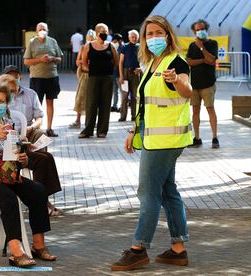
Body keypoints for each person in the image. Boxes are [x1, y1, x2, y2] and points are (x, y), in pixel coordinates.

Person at [111, 15, 192, 271]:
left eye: (159, 32)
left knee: (147, 192)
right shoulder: (153, 63)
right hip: (154, 138)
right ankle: (178, 249)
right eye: (150, 33)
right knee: (168, 192)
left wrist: (177, 80)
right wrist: (133, 131)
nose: (154, 37)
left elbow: (187, 90)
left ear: (168, 35)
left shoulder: (176, 62)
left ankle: (139, 248)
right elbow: (146, 105)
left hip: (166, 141)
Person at [0, 80, 57, 267]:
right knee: (7, 197)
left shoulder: (7, 123)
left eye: (2, 101)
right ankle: (16, 252)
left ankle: (39, 245)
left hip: (4, 176)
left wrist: (22, 159)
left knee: (38, 190)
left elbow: (10, 153)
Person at [0, 70, 63, 217]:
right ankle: (42, 203)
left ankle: (42, 200)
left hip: (20, 142)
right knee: (42, 159)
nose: (13, 95)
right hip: (4, 151)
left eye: (14, 92)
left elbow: (39, 117)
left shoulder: (28, 94)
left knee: (46, 157)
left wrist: (26, 135)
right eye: (10, 92)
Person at [78, 23, 119, 139]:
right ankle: (88, 130)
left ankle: (102, 131)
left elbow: (116, 61)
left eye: (106, 31)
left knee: (105, 104)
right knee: (91, 104)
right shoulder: (89, 45)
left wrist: (109, 69)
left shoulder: (111, 46)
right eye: (102, 31)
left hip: (107, 78)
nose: (104, 33)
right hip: (93, 78)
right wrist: (89, 69)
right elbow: (84, 61)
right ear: (96, 33)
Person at [24, 22, 63, 138]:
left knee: (50, 102)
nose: (42, 31)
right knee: (37, 104)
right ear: (36, 31)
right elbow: (26, 61)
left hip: (51, 76)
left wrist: (52, 58)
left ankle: (49, 128)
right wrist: (40, 59)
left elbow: (59, 58)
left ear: (48, 30)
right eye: (40, 29)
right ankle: (38, 130)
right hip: (36, 78)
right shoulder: (32, 42)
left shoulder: (53, 41)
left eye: (44, 29)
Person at [186, 19, 219, 148]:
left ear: (206, 29)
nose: (200, 31)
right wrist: (202, 60)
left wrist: (201, 47)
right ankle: (197, 137)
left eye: (202, 29)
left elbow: (211, 60)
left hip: (208, 83)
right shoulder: (191, 46)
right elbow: (189, 62)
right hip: (194, 84)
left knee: (210, 109)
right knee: (195, 110)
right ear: (194, 31)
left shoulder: (212, 43)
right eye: (197, 29)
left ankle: (214, 137)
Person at [69, 29, 96, 129]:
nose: (90, 38)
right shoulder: (83, 47)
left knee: (93, 98)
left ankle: (92, 121)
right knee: (80, 97)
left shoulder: (97, 47)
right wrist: (84, 61)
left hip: (94, 76)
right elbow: (77, 61)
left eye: (92, 36)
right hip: (85, 75)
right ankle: (78, 120)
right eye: (89, 36)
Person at [118, 29, 141, 121]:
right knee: (124, 96)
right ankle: (123, 116)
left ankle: (134, 116)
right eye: (132, 37)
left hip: (136, 73)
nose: (134, 38)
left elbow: (144, 61)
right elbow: (120, 62)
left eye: (136, 37)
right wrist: (121, 76)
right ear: (129, 37)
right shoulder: (124, 47)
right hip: (126, 73)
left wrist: (140, 69)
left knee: (135, 96)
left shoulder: (140, 47)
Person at [110, 33, 124, 112]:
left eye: (114, 40)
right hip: (114, 72)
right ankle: (114, 105)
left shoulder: (122, 48)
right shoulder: (114, 47)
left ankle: (122, 106)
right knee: (115, 90)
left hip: (119, 73)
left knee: (122, 91)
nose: (113, 41)